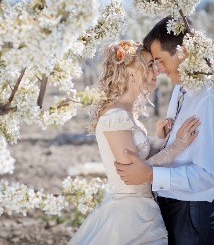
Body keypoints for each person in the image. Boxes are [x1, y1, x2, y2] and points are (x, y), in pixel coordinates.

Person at [115, 17, 214, 245]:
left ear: (184, 51)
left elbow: (207, 176)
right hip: (172, 204)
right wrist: (164, 140)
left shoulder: (210, 99)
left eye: (160, 60)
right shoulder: (181, 87)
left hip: (193, 211)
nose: (158, 69)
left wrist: (151, 175)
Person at [68, 40, 200, 245]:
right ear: (130, 73)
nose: (156, 70)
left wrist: (160, 140)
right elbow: (134, 175)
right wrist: (176, 146)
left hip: (140, 210)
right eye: (149, 65)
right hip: (130, 218)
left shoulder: (127, 114)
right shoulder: (115, 117)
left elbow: (141, 161)